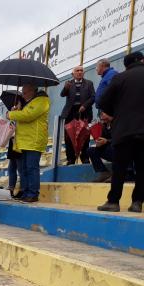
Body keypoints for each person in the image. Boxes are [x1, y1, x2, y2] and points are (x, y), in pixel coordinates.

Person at [97, 51, 144, 213]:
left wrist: (113, 112)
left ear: (126, 65)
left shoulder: (120, 78)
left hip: (124, 130)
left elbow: (103, 101)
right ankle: (137, 202)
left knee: (120, 168)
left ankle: (113, 202)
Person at [7, 84, 50, 202]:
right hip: (24, 140)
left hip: (34, 140)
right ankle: (25, 192)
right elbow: (22, 116)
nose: (23, 95)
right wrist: (16, 111)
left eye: (25, 92)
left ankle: (33, 193)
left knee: (31, 167)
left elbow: (28, 116)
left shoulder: (42, 100)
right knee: (24, 168)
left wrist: (11, 114)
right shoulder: (26, 103)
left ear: (32, 91)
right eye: (22, 92)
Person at [60, 66, 95, 164]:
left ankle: (85, 158)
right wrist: (65, 88)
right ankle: (70, 159)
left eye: (81, 70)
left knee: (85, 136)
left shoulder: (89, 83)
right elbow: (62, 95)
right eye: (77, 71)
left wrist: (85, 105)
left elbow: (93, 97)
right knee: (69, 137)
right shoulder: (69, 83)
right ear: (73, 74)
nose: (79, 72)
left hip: (84, 112)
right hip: (70, 113)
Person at [87, 112, 114, 182]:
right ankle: (104, 173)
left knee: (117, 148)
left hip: (121, 150)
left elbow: (121, 138)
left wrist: (107, 141)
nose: (101, 116)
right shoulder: (104, 125)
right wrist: (98, 143)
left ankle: (116, 174)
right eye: (100, 114)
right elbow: (102, 138)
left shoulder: (118, 122)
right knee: (91, 150)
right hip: (110, 150)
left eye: (103, 113)